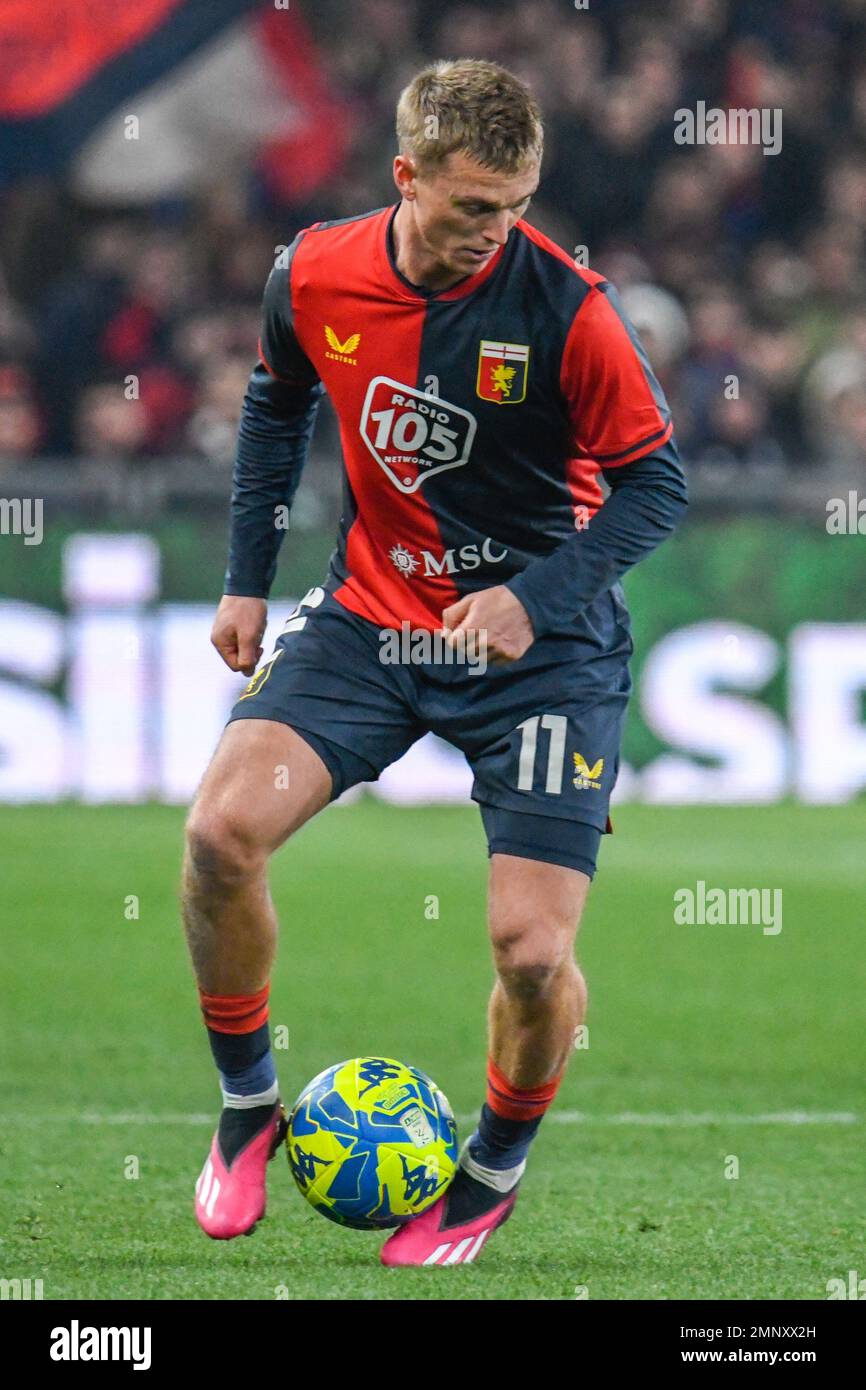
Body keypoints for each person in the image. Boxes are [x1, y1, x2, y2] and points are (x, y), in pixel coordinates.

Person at [182, 58, 687, 1266]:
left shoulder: (569, 308)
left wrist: (532, 596)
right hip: (372, 615)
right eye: (470, 206)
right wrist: (246, 572)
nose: (494, 232)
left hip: (543, 653)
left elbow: (654, 485)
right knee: (215, 837)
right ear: (404, 176)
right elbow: (273, 403)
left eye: (514, 205)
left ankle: (488, 1172)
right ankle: (249, 1106)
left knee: (531, 951)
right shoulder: (311, 272)